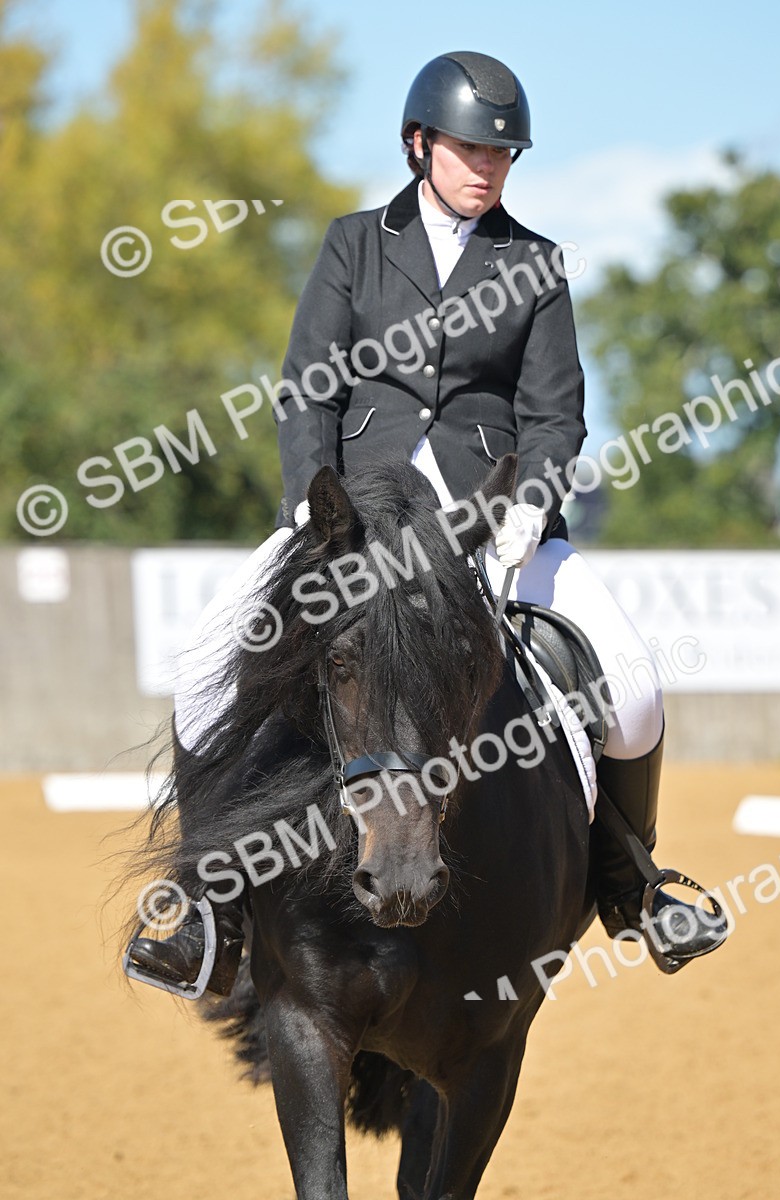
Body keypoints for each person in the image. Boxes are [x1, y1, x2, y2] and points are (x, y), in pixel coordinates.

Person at [128, 51, 726, 993]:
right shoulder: (354, 244)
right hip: (352, 520)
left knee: (637, 683)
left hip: (489, 521)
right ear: (419, 144)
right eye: (469, 149)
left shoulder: (533, 263)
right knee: (204, 666)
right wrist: (308, 507)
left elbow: (556, 410)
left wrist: (532, 503)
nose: (487, 167)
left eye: (503, 155)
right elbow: (308, 387)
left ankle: (635, 884)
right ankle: (204, 906)